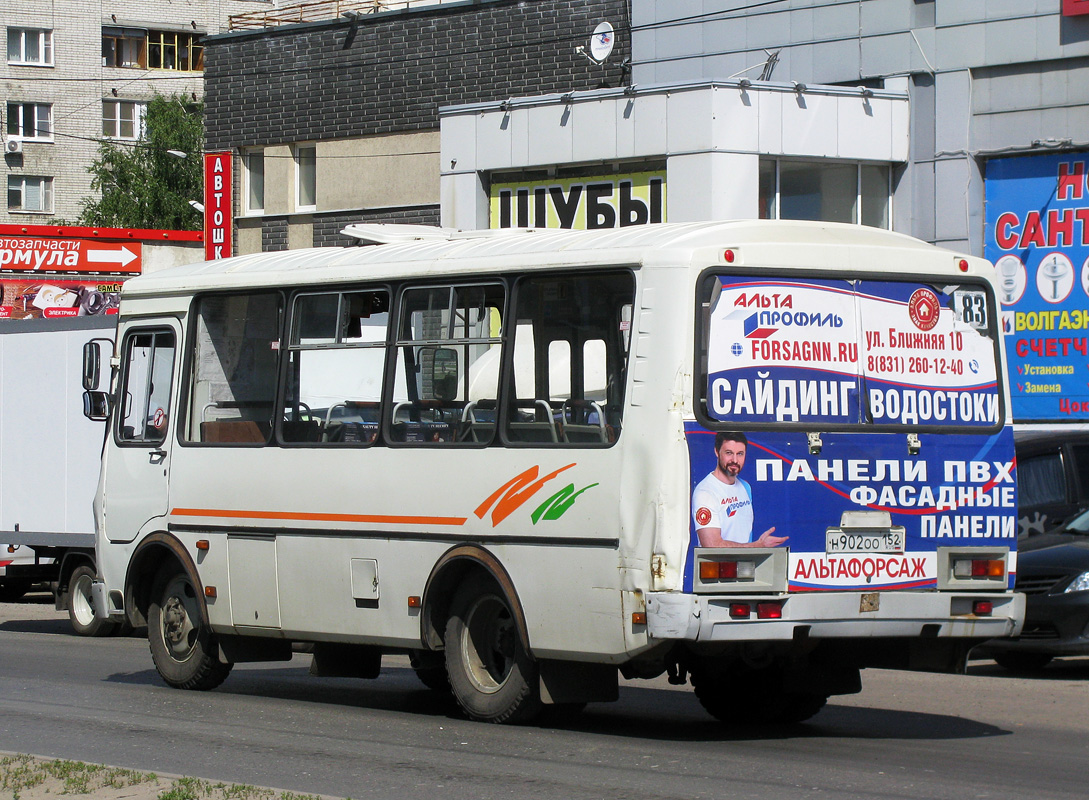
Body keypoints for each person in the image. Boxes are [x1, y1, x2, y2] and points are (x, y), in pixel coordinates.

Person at [692, 431, 787, 548]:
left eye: (740, 454)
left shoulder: (745, 486)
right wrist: (757, 546)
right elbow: (712, 545)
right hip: (718, 566)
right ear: (717, 452)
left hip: (745, 565)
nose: (735, 460)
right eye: (729, 453)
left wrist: (755, 548)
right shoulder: (706, 493)